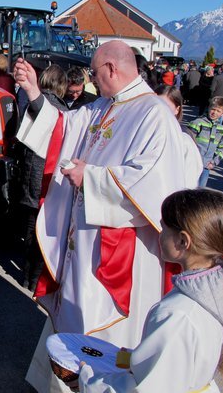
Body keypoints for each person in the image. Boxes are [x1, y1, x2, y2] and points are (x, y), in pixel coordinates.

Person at [13, 40, 188, 392]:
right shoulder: (104, 106)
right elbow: (62, 128)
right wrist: (33, 91)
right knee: (74, 313)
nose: (91, 78)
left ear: (111, 68)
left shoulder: (153, 114)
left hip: (119, 246)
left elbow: (152, 179)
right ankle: (65, 377)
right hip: (84, 237)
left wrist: (90, 177)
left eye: (94, 72)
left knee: (104, 325)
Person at [79, 188, 223, 393]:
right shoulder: (214, 293)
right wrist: (134, 358)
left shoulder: (178, 314)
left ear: (183, 241)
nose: (160, 233)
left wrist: (86, 380)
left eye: (163, 227)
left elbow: (146, 388)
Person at [17, 64, 68, 291]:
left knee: (30, 230)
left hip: (29, 175)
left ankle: (27, 276)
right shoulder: (54, 108)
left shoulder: (32, 105)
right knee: (42, 233)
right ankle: (35, 278)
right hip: (44, 179)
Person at [154, 85, 202, 187]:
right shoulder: (141, 132)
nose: (158, 110)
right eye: (154, 104)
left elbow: (189, 182)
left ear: (177, 109)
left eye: (165, 106)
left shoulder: (184, 141)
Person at [187, 96, 223, 187]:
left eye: (218, 111)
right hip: (193, 163)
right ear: (209, 108)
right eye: (213, 109)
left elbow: (222, 148)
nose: (214, 113)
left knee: (200, 191)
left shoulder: (222, 130)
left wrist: (214, 162)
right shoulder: (197, 123)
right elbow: (187, 142)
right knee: (188, 188)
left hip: (206, 166)